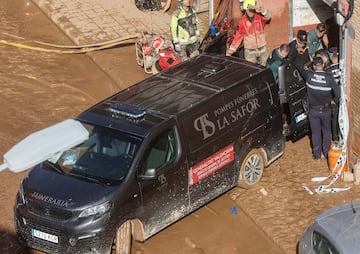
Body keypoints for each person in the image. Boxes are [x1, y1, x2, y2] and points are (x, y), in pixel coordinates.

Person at [302, 57, 340, 160]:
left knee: (315, 133)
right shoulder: (329, 78)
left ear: (314, 66)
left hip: (313, 111)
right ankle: (327, 153)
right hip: (325, 110)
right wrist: (334, 101)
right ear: (323, 65)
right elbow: (338, 93)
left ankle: (317, 155)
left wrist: (310, 62)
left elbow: (304, 66)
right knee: (327, 131)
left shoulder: (309, 75)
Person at [225, 0, 271, 66]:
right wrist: (231, 50)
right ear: (246, 10)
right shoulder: (242, 22)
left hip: (262, 49)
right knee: (252, 69)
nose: (251, 12)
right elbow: (238, 36)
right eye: (249, 10)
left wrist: (264, 11)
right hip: (250, 51)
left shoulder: (259, 18)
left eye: (252, 10)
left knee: (264, 68)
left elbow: (268, 17)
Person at [326, 47, 341, 142]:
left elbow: (327, 88)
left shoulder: (328, 71)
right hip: (344, 96)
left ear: (331, 57)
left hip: (334, 98)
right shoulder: (343, 67)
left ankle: (335, 138)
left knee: (335, 118)